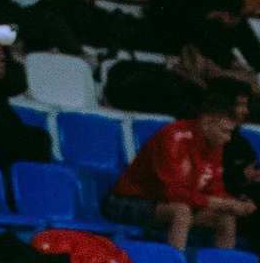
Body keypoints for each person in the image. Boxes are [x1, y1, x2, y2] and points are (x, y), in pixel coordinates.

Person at [104, 95, 251, 252]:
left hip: (168, 204)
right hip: (127, 201)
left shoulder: (215, 145)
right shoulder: (173, 136)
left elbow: (214, 188)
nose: (228, 138)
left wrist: (234, 203)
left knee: (226, 217)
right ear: (207, 122)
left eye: (230, 133)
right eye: (224, 131)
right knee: (181, 212)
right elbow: (173, 193)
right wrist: (220, 203)